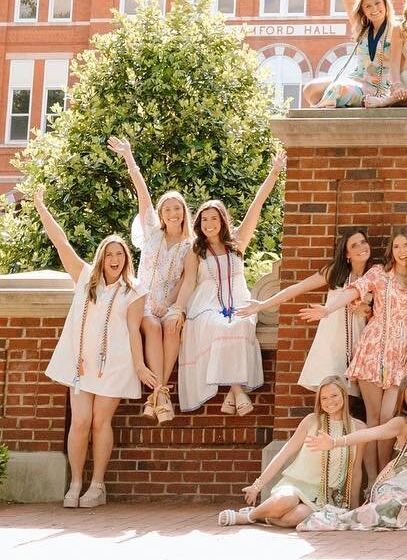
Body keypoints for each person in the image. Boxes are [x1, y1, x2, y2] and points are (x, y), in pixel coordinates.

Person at [34, 186, 155, 508]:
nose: (115, 259)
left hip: (115, 364)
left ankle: (97, 486)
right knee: (80, 422)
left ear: (126, 259)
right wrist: (41, 207)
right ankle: (75, 483)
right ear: (102, 258)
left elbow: (133, 330)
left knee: (102, 423)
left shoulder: (134, 290)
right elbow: (61, 242)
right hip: (81, 363)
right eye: (110, 254)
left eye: (120, 254)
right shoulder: (85, 277)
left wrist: (141, 366)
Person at [300, 226, 407, 469]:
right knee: (373, 419)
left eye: (406, 246)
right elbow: (353, 291)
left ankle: (386, 473)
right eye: (397, 246)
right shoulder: (379, 273)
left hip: (400, 355)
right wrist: (328, 309)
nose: (402, 251)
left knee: (389, 418)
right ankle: (373, 478)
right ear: (391, 250)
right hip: (372, 349)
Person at [174, 151, 285, 415]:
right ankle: (237, 390)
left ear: (222, 221)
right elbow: (189, 282)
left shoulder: (237, 244)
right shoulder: (195, 250)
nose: (209, 223)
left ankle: (232, 395)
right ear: (199, 224)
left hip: (237, 301)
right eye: (204, 219)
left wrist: (274, 172)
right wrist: (178, 310)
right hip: (206, 305)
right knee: (219, 326)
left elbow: (256, 206)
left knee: (241, 323)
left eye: (214, 218)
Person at [106, 135, 189, 424]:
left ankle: (158, 395)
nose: (172, 212)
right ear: (161, 214)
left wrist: (172, 306)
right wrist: (129, 156)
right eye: (167, 208)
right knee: (152, 327)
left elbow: (183, 281)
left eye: (177, 208)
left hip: (166, 304)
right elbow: (142, 192)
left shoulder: (190, 246)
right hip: (142, 300)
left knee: (171, 329)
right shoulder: (152, 232)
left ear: (183, 213)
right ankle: (162, 393)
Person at [297, 374, 407, 530]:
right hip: (394, 487)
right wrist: (335, 442)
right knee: (390, 509)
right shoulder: (403, 423)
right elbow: (371, 433)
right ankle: (332, 519)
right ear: (404, 402)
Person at [236, 227, 373, 396]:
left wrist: (366, 310)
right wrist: (262, 305)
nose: (361, 248)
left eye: (363, 242)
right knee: (330, 394)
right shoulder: (335, 272)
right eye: (354, 246)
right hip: (332, 342)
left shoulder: (373, 275)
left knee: (354, 400)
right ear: (346, 254)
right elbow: (298, 288)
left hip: (360, 343)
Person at [218, 377, 359, 527]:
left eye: (334, 395)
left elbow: (355, 472)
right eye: (324, 397)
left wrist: (356, 510)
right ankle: (247, 517)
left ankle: (263, 516)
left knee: (295, 517)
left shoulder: (358, 428)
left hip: (322, 496)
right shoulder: (311, 421)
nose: (329, 401)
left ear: (344, 394)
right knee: (287, 499)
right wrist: (256, 486)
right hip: (295, 485)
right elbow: (284, 453)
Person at [303, 0, 402, 108]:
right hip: (355, 79)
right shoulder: (361, 28)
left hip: (377, 88)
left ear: (385, 5)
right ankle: (332, 108)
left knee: (337, 89)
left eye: (377, 3)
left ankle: (326, 108)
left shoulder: (395, 29)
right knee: (310, 89)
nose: (374, 9)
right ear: (363, 10)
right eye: (368, 6)